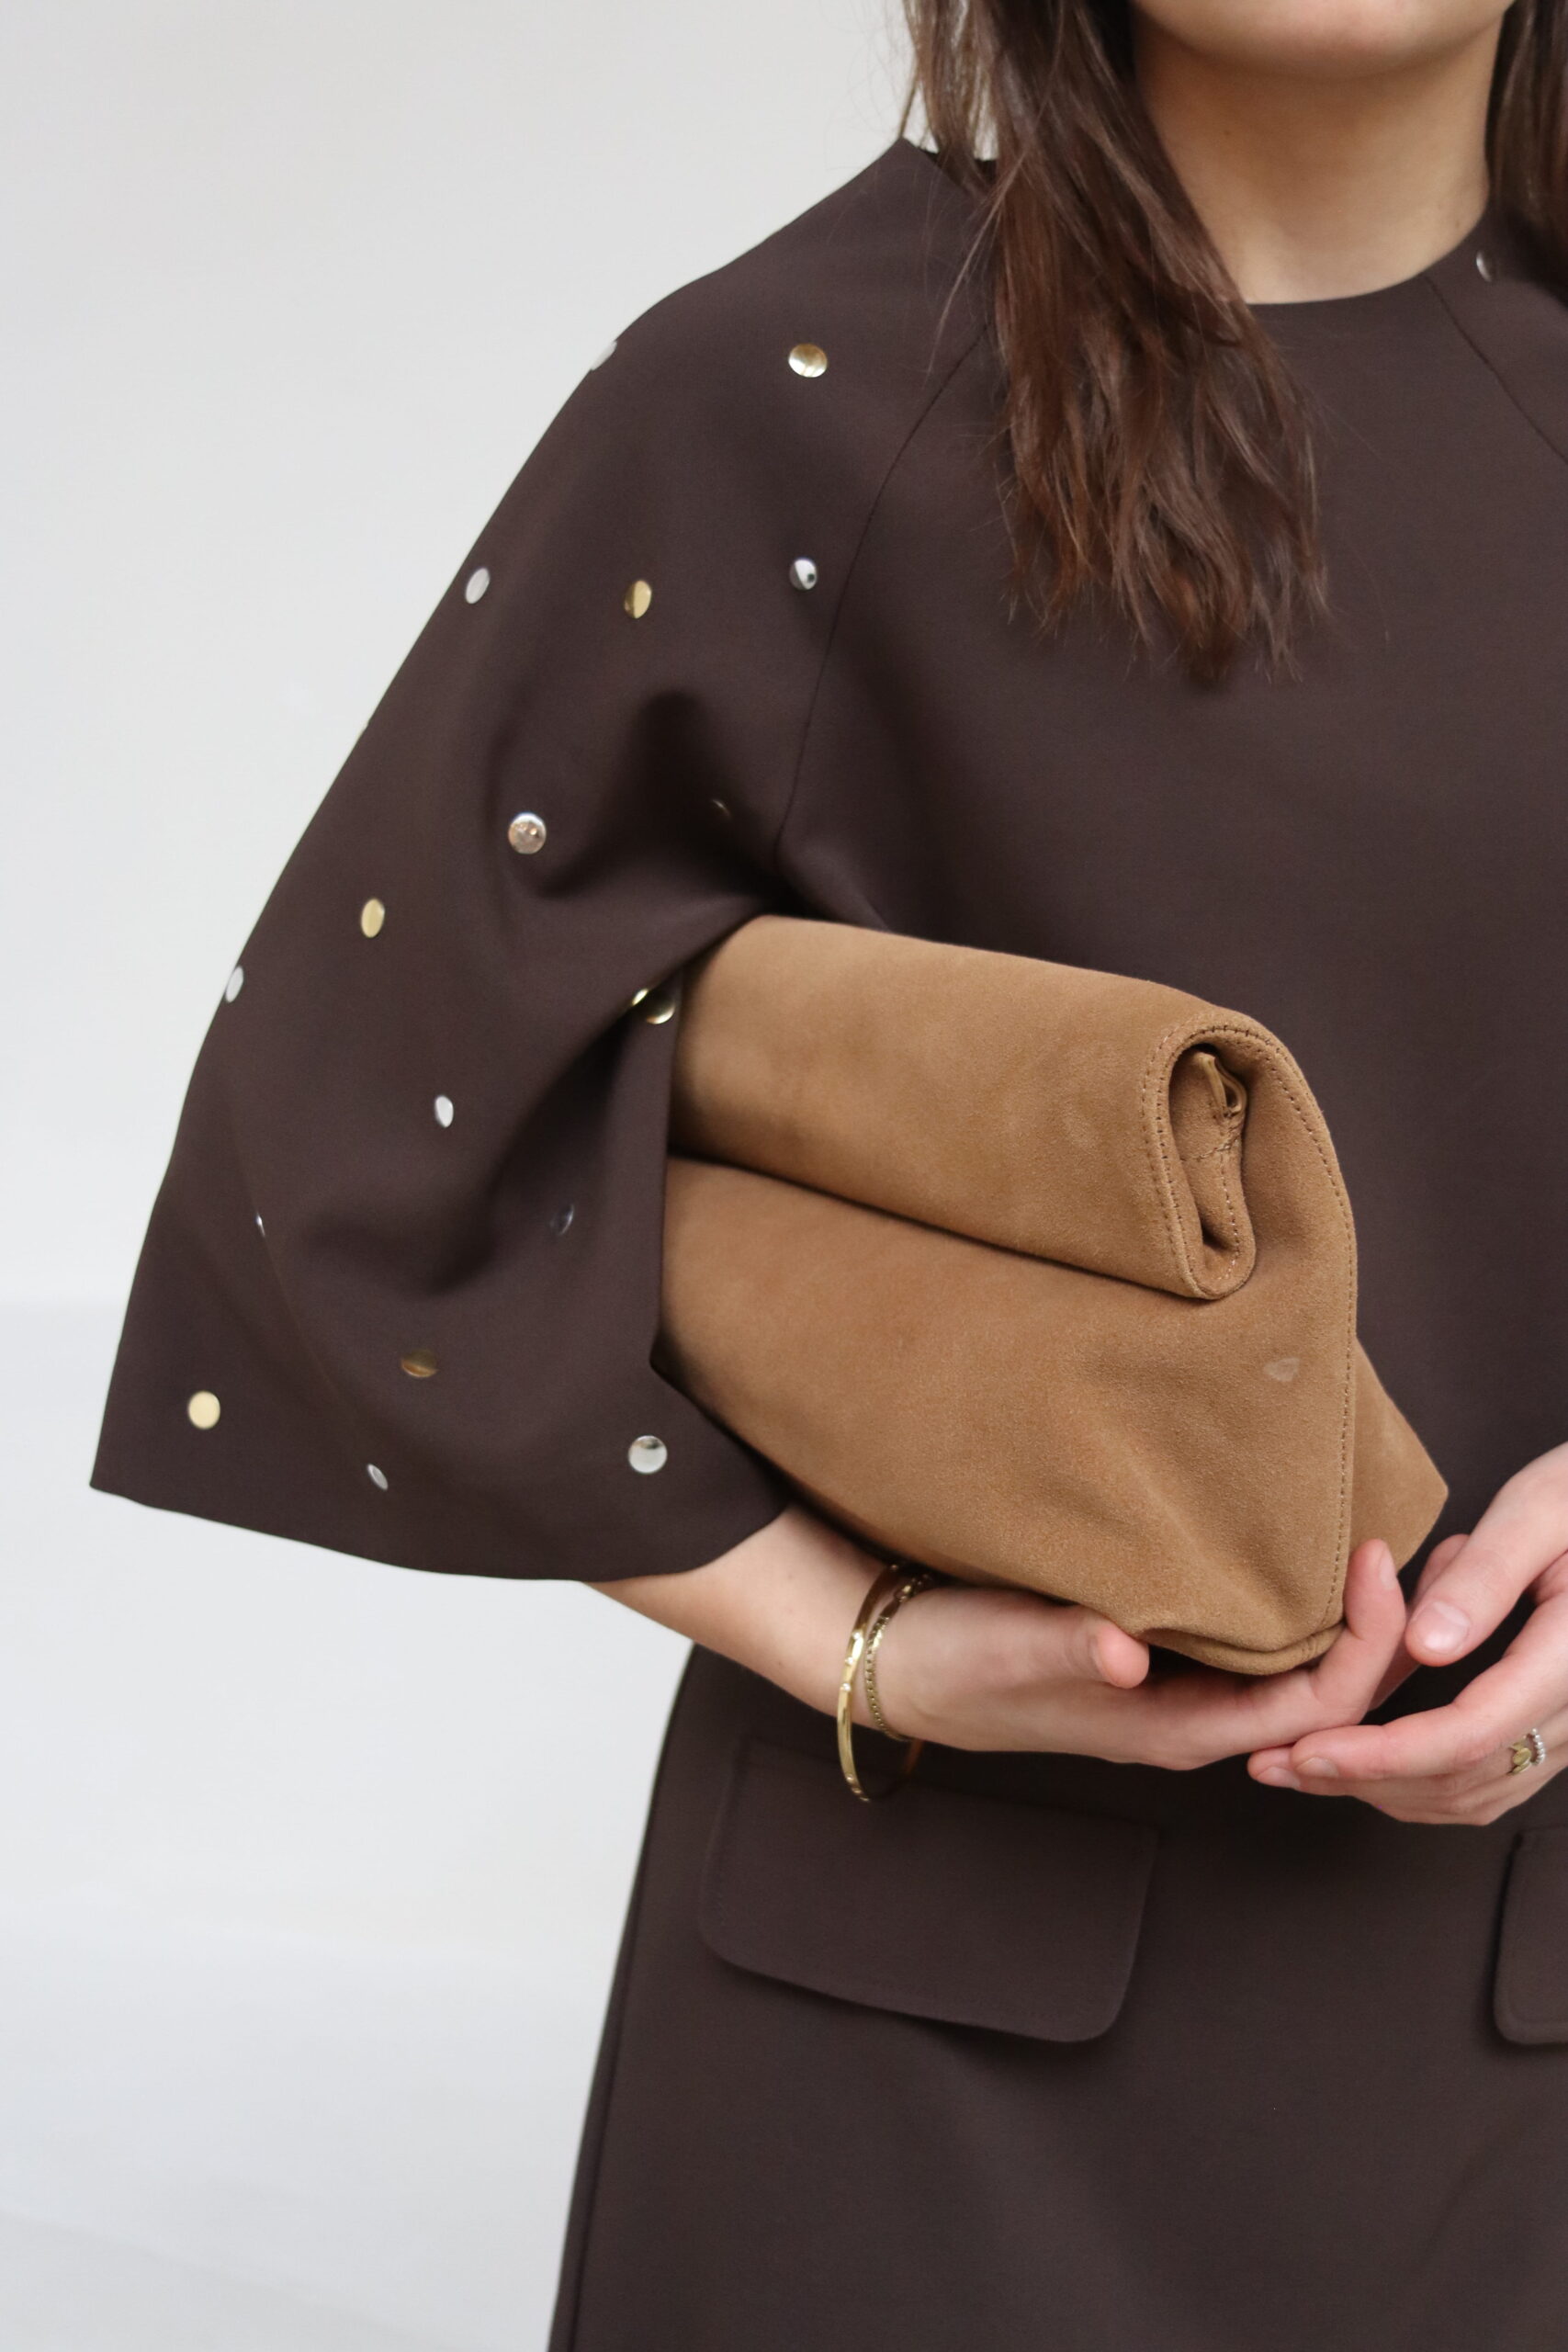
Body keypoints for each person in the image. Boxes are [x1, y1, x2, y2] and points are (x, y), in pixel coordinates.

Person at [91, 1, 1568, 2344]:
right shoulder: (781, 396)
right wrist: (855, 1644)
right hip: (900, 2096)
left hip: (1514, 2059)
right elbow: (345, 1135)